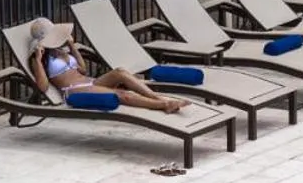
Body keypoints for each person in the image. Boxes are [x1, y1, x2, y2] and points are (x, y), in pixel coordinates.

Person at [27, 18, 187, 113]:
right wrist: (39, 59)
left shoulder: (60, 49)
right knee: (119, 94)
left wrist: (72, 46)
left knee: (120, 72)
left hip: (88, 80)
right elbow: (42, 87)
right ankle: (164, 104)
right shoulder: (40, 58)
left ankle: (155, 97)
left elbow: (82, 69)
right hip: (73, 90)